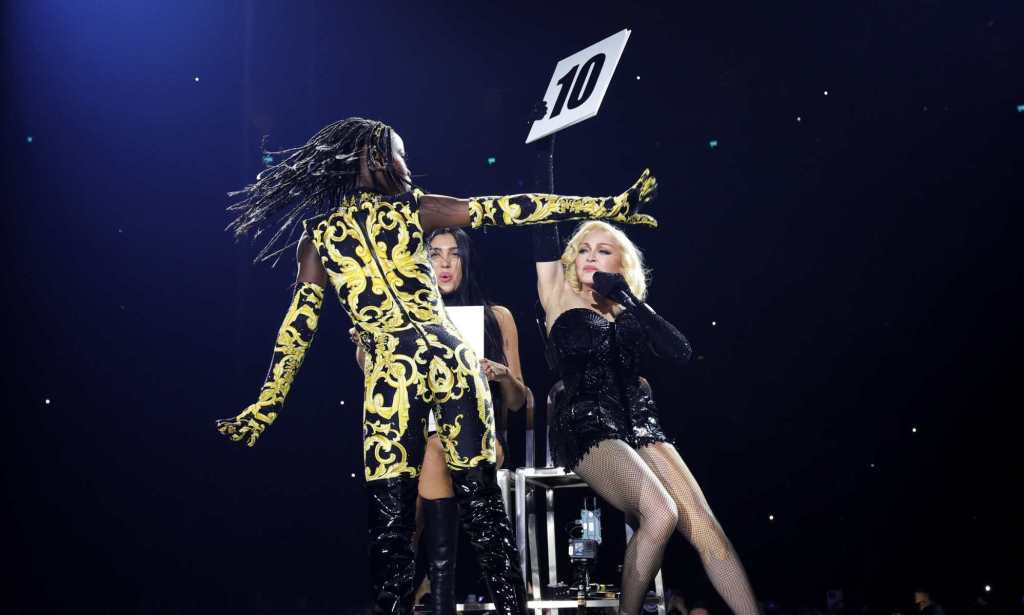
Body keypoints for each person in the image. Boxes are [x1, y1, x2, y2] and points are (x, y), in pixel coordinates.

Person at [214, 117, 658, 615]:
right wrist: (266, 404)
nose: (407, 165)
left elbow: (508, 210)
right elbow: (297, 328)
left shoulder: (349, 229)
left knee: (426, 521)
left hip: (405, 376)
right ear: (374, 158)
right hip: (432, 369)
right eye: (400, 154)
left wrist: (268, 404)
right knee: (426, 522)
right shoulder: (361, 225)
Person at [529, 136, 758, 615]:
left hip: (640, 420)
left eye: (604, 250)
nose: (591, 256)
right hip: (587, 421)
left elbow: (680, 351)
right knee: (660, 513)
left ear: (621, 264)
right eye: (584, 249)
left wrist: (629, 300)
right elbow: (541, 213)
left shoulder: (629, 310)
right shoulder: (557, 295)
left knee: (705, 525)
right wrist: (544, 145)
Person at [351, 226, 527, 614]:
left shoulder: (496, 317)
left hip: (481, 438)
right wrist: (368, 346)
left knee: (432, 457)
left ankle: (428, 596)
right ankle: (426, 593)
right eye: (435, 254)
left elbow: (520, 402)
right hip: (417, 438)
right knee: (412, 472)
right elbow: (377, 385)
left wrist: (502, 376)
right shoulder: (403, 320)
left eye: (454, 254)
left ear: (467, 261)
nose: (445, 263)